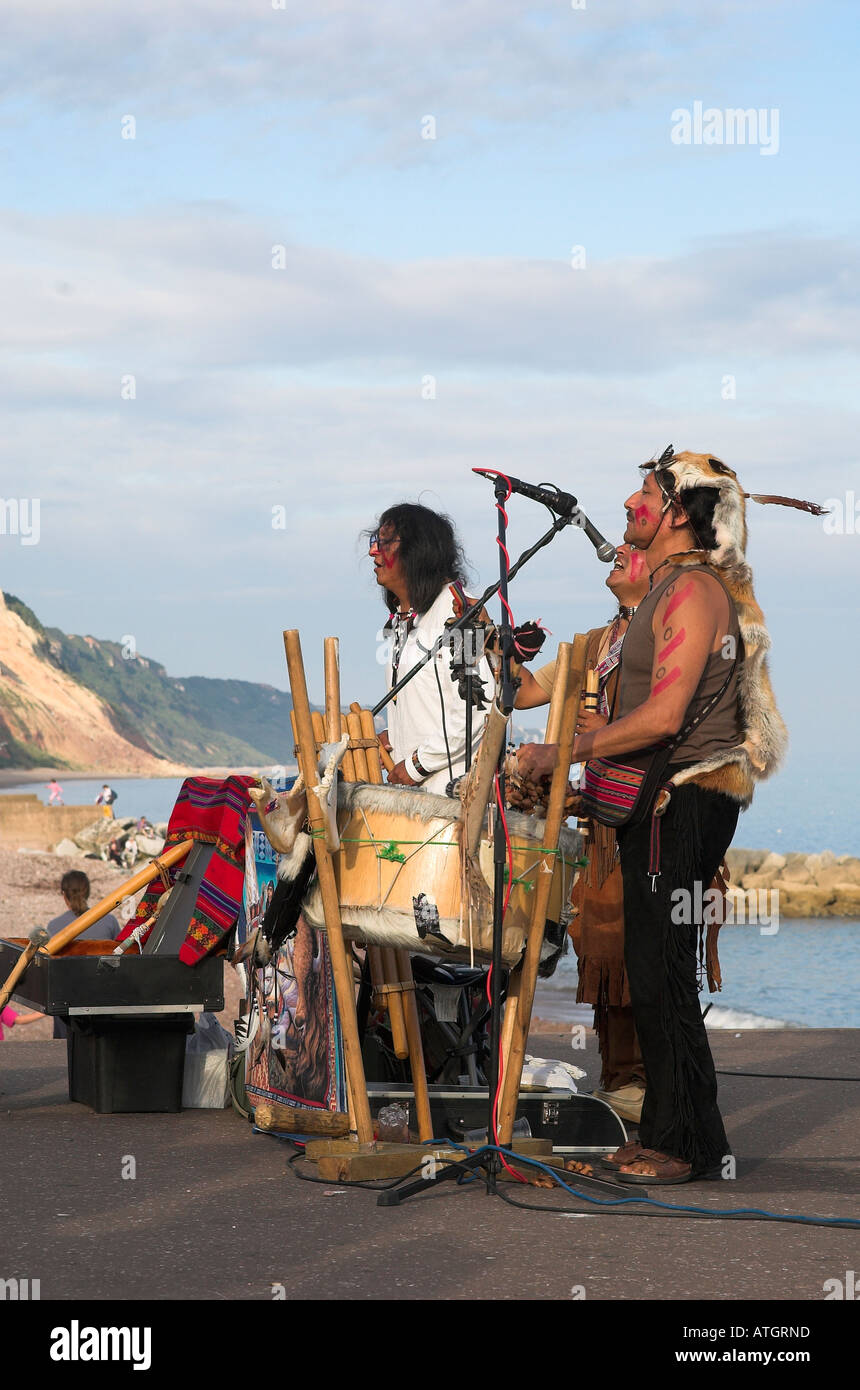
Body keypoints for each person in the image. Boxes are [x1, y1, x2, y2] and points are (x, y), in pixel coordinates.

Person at [519, 450, 813, 1183]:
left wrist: (571, 751)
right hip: (667, 803)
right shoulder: (669, 591)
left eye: (645, 492)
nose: (629, 500)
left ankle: (679, 1145)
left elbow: (667, 713)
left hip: (686, 800)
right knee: (656, 971)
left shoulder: (693, 594)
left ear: (679, 511)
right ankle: (689, 1139)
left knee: (662, 974)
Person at [515, 542, 650, 1122]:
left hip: (652, 813)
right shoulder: (592, 644)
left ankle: (646, 1082)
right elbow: (522, 693)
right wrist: (498, 648)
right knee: (600, 947)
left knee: (635, 951)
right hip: (600, 825)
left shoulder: (671, 635)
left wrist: (608, 730)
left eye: (635, 549)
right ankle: (623, 1081)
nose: (618, 552)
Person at [369, 503, 494, 796]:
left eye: (385, 542)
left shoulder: (462, 612)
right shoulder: (405, 619)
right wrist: (396, 737)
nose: (374, 551)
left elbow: (477, 707)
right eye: (375, 541)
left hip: (451, 806)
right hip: (415, 803)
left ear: (418, 551)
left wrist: (417, 764)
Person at [46, 870, 121, 1040]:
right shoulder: (109, 922)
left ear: (63, 895)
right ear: (88, 892)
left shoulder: (54, 926)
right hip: (102, 1001)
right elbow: (121, 958)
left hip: (66, 1005)